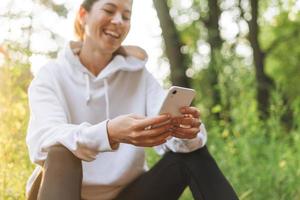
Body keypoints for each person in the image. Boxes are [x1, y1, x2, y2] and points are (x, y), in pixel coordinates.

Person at [26, 0, 239, 199]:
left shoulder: (139, 75)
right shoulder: (51, 75)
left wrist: (186, 132)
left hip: (127, 194)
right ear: (83, 15)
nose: (118, 21)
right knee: (60, 150)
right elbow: (42, 141)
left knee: (194, 154)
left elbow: (174, 135)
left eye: (126, 16)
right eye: (109, 11)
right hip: (64, 192)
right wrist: (109, 132)